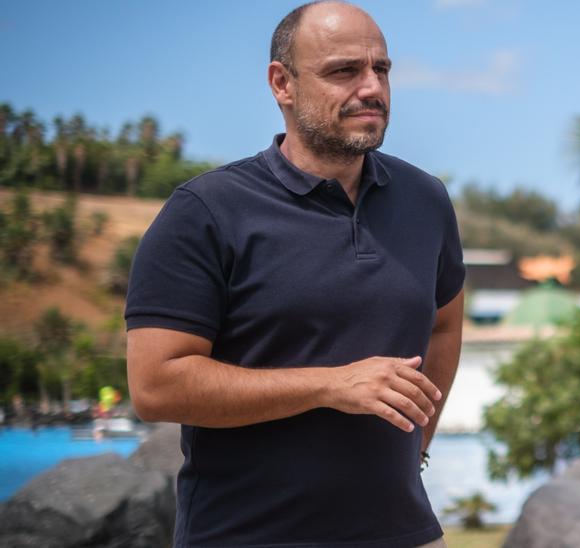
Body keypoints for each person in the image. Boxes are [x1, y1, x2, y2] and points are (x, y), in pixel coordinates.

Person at [124, 2, 464, 546]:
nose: (372, 87)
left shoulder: (426, 200)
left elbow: (445, 323)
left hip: (405, 534)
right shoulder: (206, 210)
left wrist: (415, 447)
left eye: (382, 69)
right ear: (282, 83)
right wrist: (331, 384)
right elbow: (155, 386)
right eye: (344, 71)